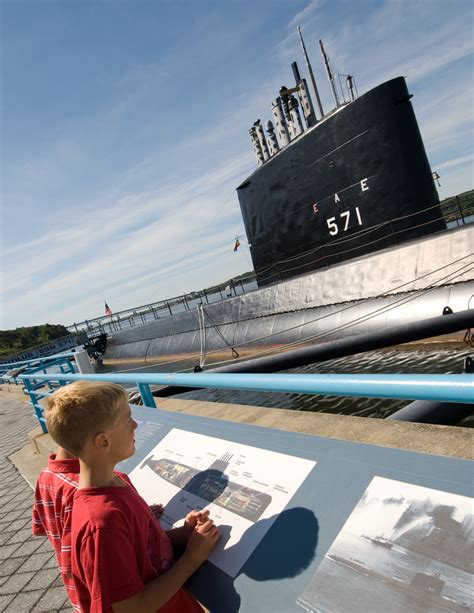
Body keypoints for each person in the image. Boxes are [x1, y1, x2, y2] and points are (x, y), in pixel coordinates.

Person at [44, 380, 220, 612]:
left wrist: (181, 534)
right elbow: (131, 608)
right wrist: (191, 559)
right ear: (103, 441)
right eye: (128, 421)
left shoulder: (118, 480)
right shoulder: (101, 524)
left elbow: (140, 544)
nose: (136, 425)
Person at [32, 446, 80, 609]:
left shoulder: (45, 475)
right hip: (94, 594)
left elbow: (40, 526)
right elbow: (73, 565)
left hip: (75, 589)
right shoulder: (82, 492)